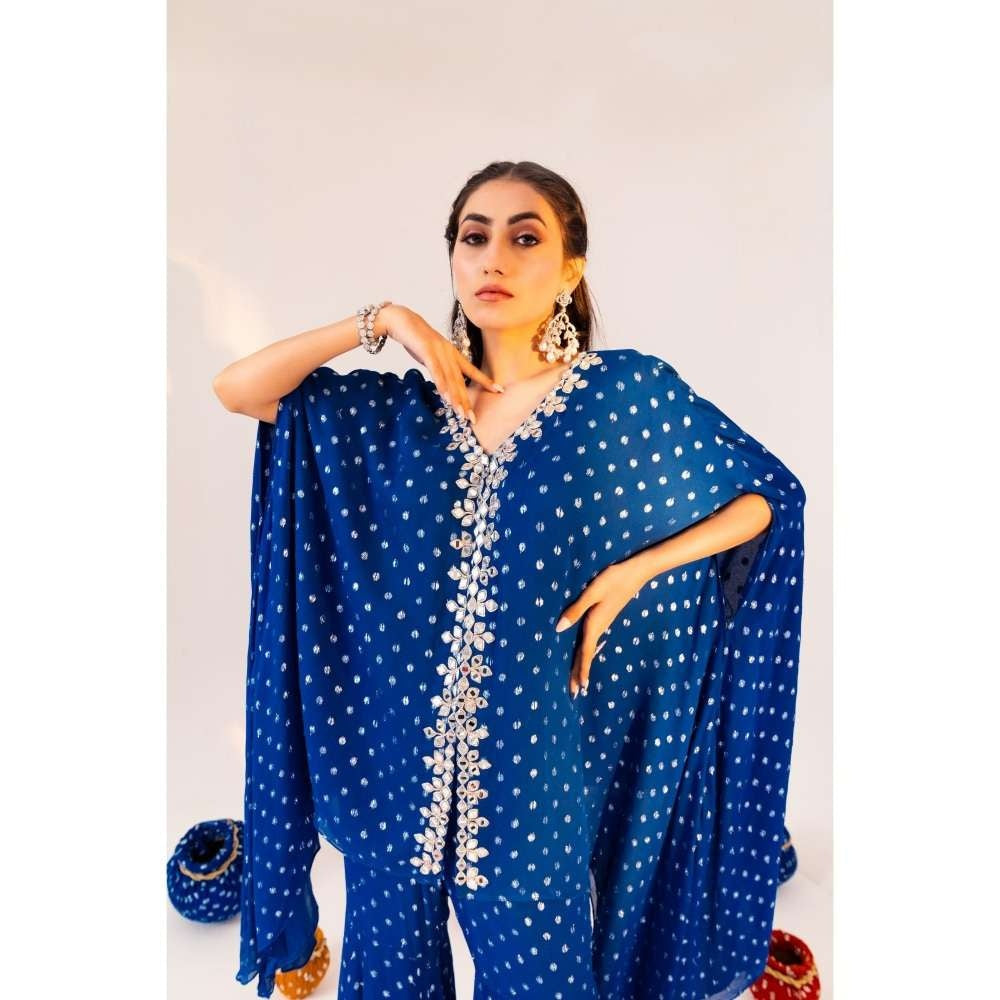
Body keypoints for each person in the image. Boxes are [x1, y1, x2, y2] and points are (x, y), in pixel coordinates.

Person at [213, 160, 807, 1000]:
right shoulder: (399, 414)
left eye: (525, 238)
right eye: (473, 237)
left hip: (533, 786)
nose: (493, 257)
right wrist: (384, 321)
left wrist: (636, 571)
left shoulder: (620, 398)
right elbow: (237, 389)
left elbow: (764, 498)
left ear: (570, 270)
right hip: (392, 779)